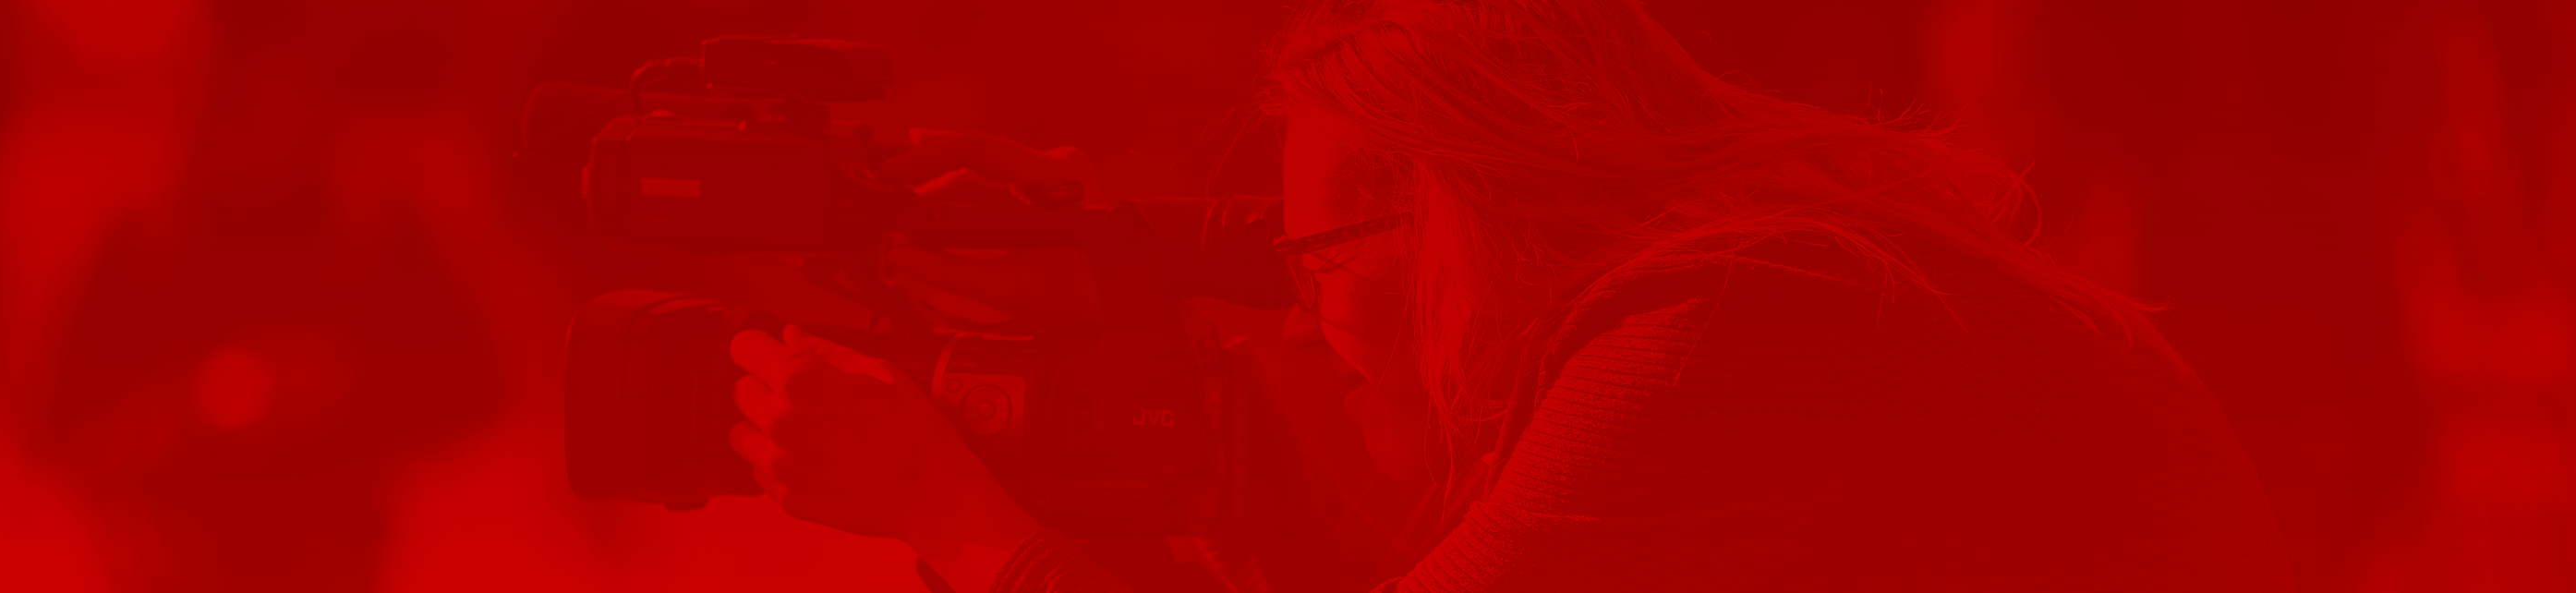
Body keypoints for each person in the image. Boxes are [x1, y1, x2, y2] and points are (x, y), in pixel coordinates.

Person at [726, 0, 2299, 591]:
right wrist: (1104, 250)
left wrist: (959, 517)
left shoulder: (1714, 333)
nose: (1302, 313)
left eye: (1316, 263)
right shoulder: (1782, 290)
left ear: (1465, 214)